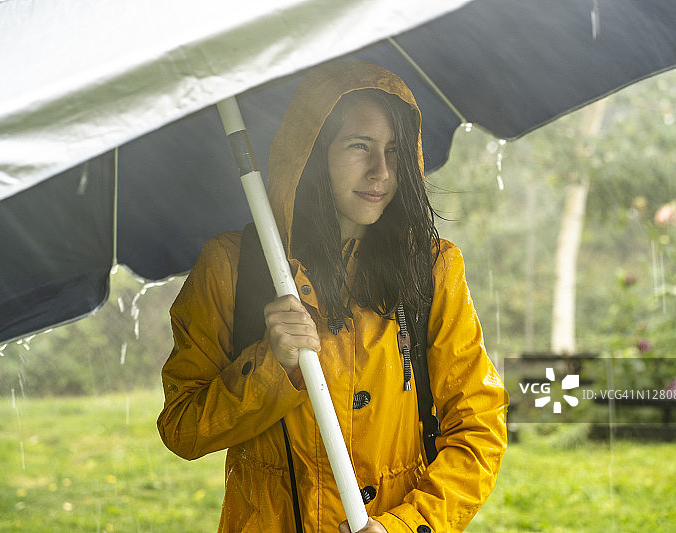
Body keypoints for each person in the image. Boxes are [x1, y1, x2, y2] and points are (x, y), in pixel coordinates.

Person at [157, 60, 508, 532]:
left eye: (394, 150)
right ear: (311, 151)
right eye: (359, 146)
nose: (381, 171)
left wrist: (404, 527)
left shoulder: (433, 268)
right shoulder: (231, 266)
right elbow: (183, 427)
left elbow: (479, 430)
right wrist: (273, 366)